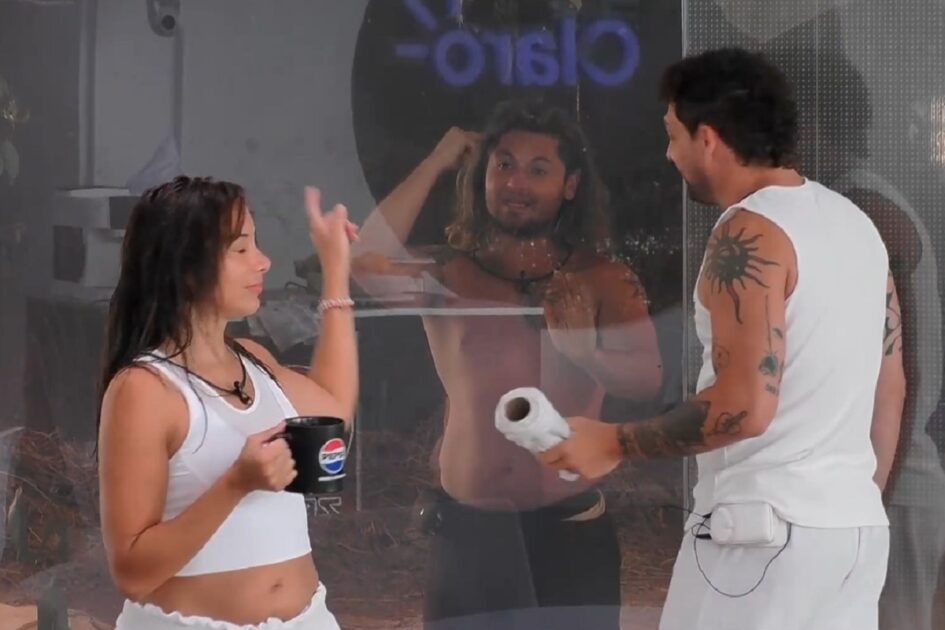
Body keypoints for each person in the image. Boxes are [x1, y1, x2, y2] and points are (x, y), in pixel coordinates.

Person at [537, 48, 904, 630]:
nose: (669, 154)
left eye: (672, 135)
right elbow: (889, 388)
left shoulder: (748, 230)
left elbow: (744, 405)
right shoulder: (857, 226)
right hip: (852, 536)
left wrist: (613, 441)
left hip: (759, 538)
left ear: (706, 137)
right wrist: (846, 506)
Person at [354, 100, 664, 628]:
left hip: (571, 527)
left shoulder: (603, 278)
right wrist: (436, 161)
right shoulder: (448, 275)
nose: (516, 182)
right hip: (470, 530)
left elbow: (647, 378)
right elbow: (363, 266)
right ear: (482, 178)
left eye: (538, 170)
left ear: (569, 185)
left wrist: (586, 354)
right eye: (503, 165)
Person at [97, 177, 359, 629]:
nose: (263, 261)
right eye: (241, 249)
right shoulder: (144, 389)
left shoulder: (253, 358)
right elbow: (132, 574)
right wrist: (236, 484)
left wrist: (335, 269)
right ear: (186, 266)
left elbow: (334, 412)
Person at [769, 46, 945, 630]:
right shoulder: (837, 204)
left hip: (889, 484)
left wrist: (874, 499)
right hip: (861, 484)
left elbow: (903, 372)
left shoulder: (865, 210)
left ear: (812, 124)